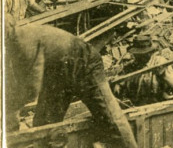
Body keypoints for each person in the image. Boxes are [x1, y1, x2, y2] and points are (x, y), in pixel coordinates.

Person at [5, 22, 139, 148]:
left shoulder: (24, 41)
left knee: (111, 119)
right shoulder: (11, 44)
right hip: (58, 75)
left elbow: (32, 86)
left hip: (85, 65)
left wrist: (12, 109)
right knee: (44, 125)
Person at [116, 34, 173, 106]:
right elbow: (120, 84)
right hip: (138, 107)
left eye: (144, 54)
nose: (141, 57)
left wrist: (163, 75)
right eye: (138, 54)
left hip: (159, 106)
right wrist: (117, 86)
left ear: (150, 52)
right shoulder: (131, 67)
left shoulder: (159, 62)